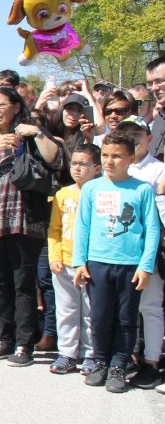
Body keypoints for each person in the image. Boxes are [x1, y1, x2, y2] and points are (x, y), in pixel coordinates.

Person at [0, 86, 63, 366]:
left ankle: (24, 345)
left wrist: (37, 133)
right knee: (0, 284)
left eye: (0, 104)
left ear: (16, 106)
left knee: (23, 285)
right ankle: (5, 340)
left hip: (25, 220)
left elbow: (56, 160)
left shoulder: (30, 132)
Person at [73, 132, 160, 392]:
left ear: (131, 158)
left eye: (117, 156)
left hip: (130, 266)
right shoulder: (91, 188)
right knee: (99, 317)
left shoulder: (142, 189)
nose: (110, 161)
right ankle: (100, 361)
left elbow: (152, 229)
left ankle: (119, 365)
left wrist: (145, 266)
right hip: (97, 264)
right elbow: (82, 227)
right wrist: (80, 262)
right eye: (105, 155)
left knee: (125, 318)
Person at [118, 116, 165, 388]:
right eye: (126, 134)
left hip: (149, 251)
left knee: (149, 307)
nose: (132, 139)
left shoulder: (159, 171)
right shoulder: (115, 169)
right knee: (125, 309)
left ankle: (151, 362)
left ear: (149, 138)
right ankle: (127, 356)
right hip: (120, 251)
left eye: (138, 134)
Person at [47, 143, 99, 375]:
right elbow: (54, 229)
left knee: (90, 311)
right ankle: (67, 353)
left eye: (83, 164)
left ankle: (90, 354)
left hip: (90, 265)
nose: (77, 168)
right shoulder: (62, 194)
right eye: (74, 163)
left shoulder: (102, 193)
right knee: (66, 309)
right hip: (65, 263)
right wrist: (54, 257)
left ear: (97, 168)